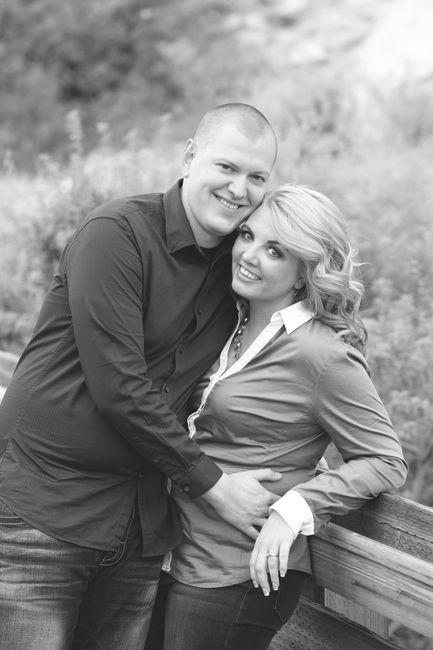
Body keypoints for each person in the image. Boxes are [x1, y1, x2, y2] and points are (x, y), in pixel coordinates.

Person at [0, 103, 280, 650]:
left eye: (256, 177)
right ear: (190, 157)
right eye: (226, 167)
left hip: (140, 527)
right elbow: (119, 385)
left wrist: (300, 439)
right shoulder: (118, 234)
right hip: (44, 513)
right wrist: (217, 487)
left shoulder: (240, 265)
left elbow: (264, 355)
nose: (238, 189)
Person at [145, 184, 408, 650]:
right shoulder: (229, 322)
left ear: (306, 273)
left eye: (275, 251)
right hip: (176, 551)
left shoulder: (322, 353)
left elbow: (385, 460)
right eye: (248, 235)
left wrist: (295, 508)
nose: (248, 255)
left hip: (238, 570)